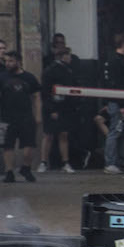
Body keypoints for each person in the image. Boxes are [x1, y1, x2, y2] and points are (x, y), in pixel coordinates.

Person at [0, 52, 41, 184]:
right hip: (6, 116)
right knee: (8, 145)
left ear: (18, 61)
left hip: (26, 116)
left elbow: (37, 97)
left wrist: (38, 115)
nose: (7, 64)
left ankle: (26, 168)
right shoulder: (2, 77)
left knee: (29, 145)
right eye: (6, 61)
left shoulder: (29, 77)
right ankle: (9, 172)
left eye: (11, 61)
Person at [100, 32, 124, 174]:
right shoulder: (115, 61)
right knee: (116, 131)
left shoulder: (122, 61)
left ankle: (121, 160)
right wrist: (121, 105)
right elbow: (115, 84)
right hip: (119, 101)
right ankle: (111, 162)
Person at [40, 43, 77, 172]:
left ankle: (65, 162)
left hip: (65, 107)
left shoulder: (69, 70)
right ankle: (43, 162)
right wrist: (52, 109)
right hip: (53, 106)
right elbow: (45, 92)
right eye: (68, 55)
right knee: (48, 135)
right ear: (62, 56)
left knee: (63, 134)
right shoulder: (51, 71)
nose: (70, 58)